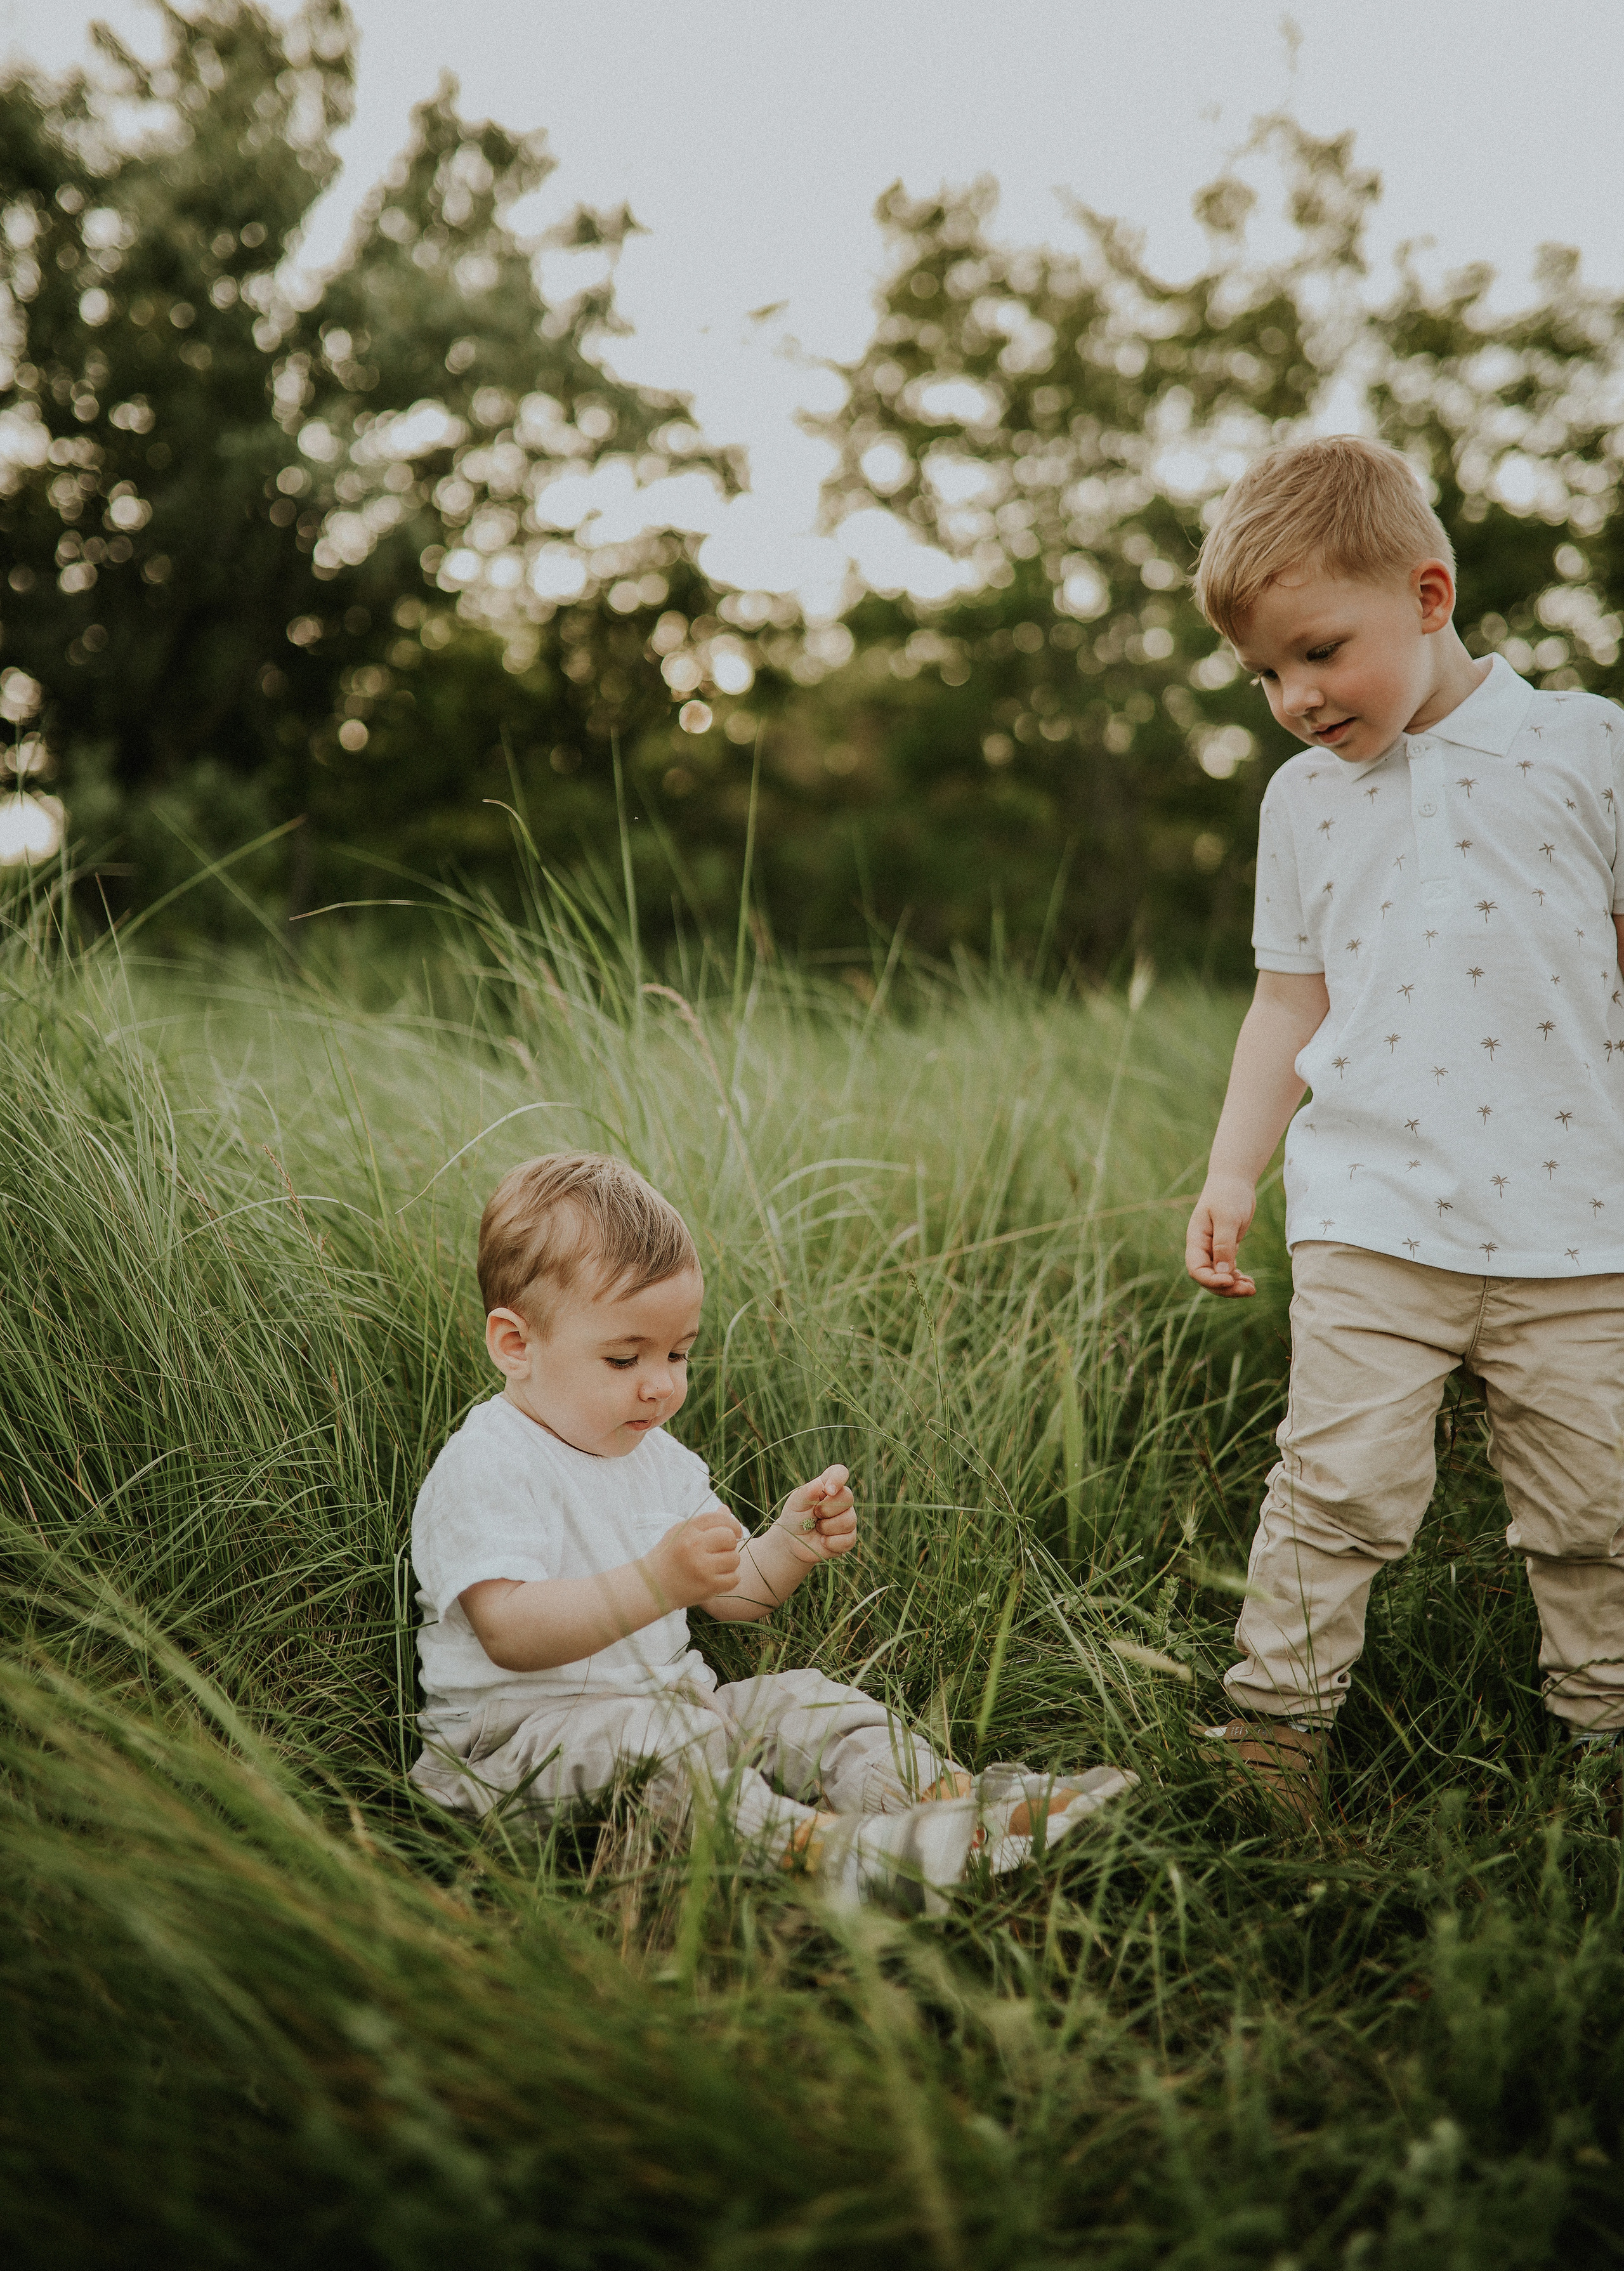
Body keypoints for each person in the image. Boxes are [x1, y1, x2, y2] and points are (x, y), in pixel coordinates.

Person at [1184, 435, 1624, 1818]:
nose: (1294, 698)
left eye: (1318, 651)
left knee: (1595, 1518)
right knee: (1332, 1496)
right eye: (1263, 674)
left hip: (1579, 1227)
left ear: (1428, 597)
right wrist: (1229, 1170)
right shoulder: (1301, 802)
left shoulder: (1583, 745)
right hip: (1370, 1216)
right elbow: (1282, 1005)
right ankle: (1273, 1739)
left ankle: (1599, 1745)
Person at [410, 1151, 1132, 1905]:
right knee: (656, 1749)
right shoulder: (491, 1462)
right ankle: (822, 1857)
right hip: (511, 1756)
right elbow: (509, 1632)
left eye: (678, 1353)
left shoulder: (659, 1459)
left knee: (804, 1702)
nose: (660, 1385)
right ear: (516, 1345)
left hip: (680, 1721)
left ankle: (960, 1809)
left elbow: (736, 1595)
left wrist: (786, 1545)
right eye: (623, 1358)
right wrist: (656, 1583)